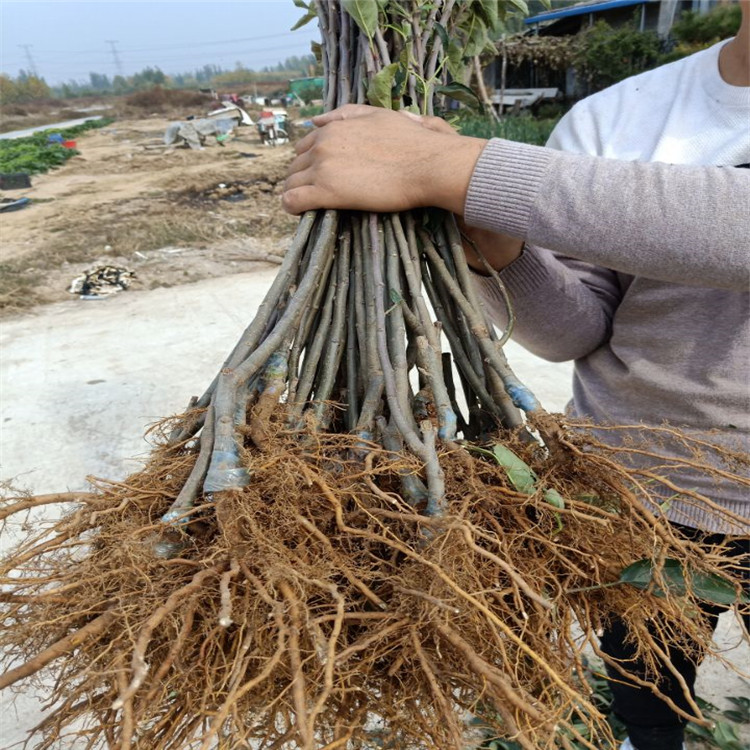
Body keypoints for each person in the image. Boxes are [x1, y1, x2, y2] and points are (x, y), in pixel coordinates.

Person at [283, 7, 749, 750]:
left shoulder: (541, 166)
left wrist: (458, 168)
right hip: (644, 482)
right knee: (645, 681)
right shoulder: (620, 114)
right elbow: (579, 329)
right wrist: (499, 250)